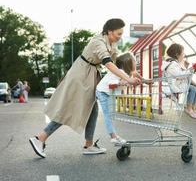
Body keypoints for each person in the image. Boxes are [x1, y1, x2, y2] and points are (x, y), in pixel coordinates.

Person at [29, 18, 141, 158]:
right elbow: (108, 63)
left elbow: (119, 60)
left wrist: (132, 70)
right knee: (69, 109)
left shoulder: (111, 44)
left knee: (92, 109)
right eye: (118, 33)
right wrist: (128, 79)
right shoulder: (98, 42)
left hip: (89, 75)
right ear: (110, 31)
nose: (120, 37)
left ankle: (88, 145)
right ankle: (40, 138)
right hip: (81, 75)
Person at [96, 52, 137, 145]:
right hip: (103, 92)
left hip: (108, 93)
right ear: (128, 62)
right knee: (108, 115)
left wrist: (129, 83)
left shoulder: (126, 74)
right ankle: (113, 136)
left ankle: (114, 135)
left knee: (110, 114)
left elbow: (123, 83)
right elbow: (111, 83)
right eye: (134, 61)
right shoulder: (121, 72)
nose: (136, 62)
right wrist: (121, 83)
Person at [162, 43, 196, 119]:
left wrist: (189, 69)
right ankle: (189, 109)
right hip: (175, 86)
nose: (184, 55)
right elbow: (180, 75)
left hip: (177, 85)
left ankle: (192, 108)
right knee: (193, 89)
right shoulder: (172, 64)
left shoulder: (173, 63)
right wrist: (192, 69)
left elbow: (182, 74)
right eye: (183, 53)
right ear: (177, 54)